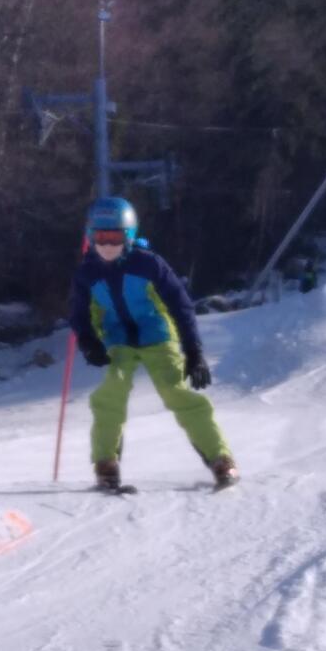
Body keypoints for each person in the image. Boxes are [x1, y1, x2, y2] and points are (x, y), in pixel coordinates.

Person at [69, 197, 238, 491]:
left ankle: (220, 459)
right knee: (111, 393)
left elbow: (181, 304)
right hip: (119, 339)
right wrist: (88, 341)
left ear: (129, 235)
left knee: (176, 391)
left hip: (157, 335)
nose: (107, 245)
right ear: (90, 236)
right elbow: (78, 312)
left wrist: (194, 350)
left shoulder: (148, 264)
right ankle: (106, 464)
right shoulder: (88, 273)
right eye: (101, 237)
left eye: (115, 238)